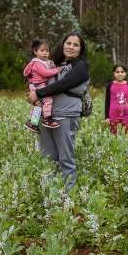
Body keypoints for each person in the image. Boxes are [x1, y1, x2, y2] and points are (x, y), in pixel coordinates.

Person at [29, 32, 90, 191]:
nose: (71, 47)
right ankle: (50, 196)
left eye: (76, 45)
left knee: (66, 159)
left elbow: (65, 84)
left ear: (80, 49)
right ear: (63, 44)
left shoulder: (81, 67)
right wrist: (33, 93)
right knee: (48, 158)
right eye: (68, 43)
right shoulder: (52, 65)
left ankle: (69, 197)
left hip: (66, 115)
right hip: (46, 116)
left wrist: (39, 93)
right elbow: (37, 81)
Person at [23, 39, 61, 132]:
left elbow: (49, 67)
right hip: (38, 85)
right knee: (48, 99)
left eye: (47, 51)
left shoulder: (44, 61)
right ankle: (47, 119)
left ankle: (33, 123)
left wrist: (52, 66)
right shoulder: (37, 63)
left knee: (39, 104)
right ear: (35, 52)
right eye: (42, 50)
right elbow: (45, 73)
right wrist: (57, 70)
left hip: (36, 85)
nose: (45, 53)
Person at [104, 64, 128, 135]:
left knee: (126, 136)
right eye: (117, 72)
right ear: (114, 73)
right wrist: (106, 117)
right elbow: (107, 101)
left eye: (122, 72)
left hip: (127, 115)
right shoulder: (110, 85)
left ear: (125, 73)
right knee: (114, 137)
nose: (120, 74)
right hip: (113, 115)